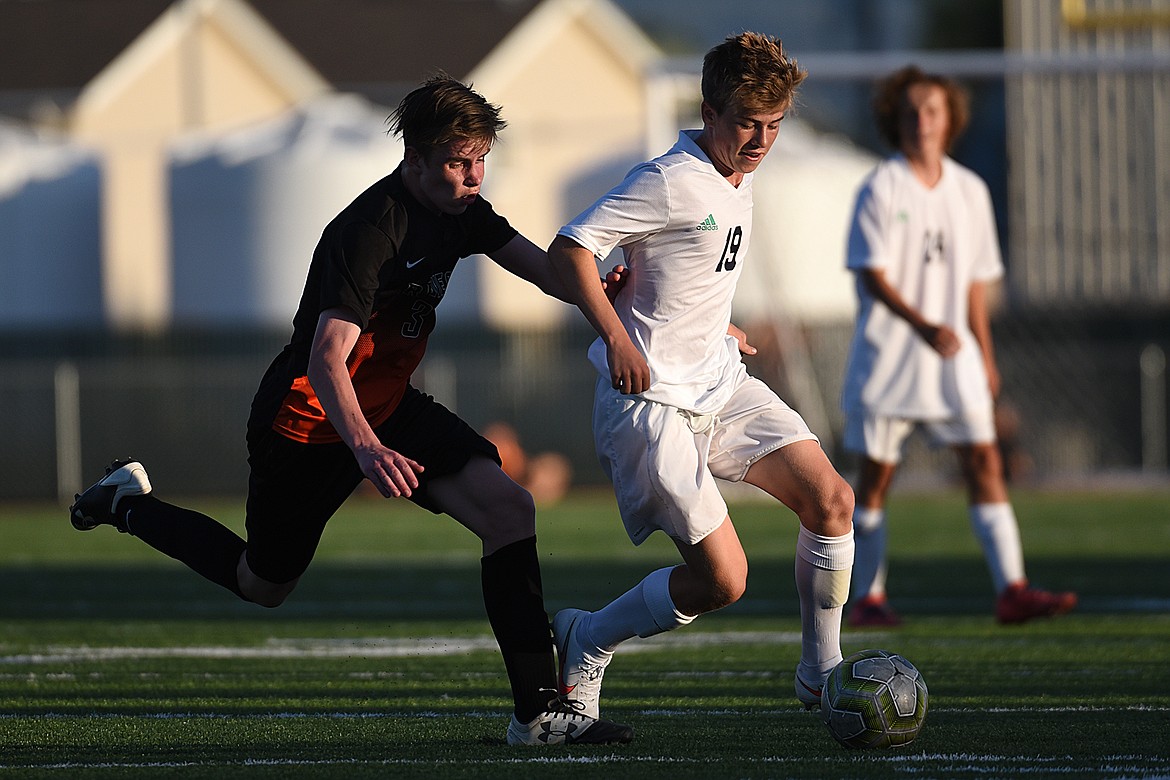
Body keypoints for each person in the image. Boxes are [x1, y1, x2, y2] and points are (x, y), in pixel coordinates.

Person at [68, 75, 634, 746]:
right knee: (262, 583)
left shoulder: (465, 211)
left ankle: (538, 713)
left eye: (482, 159)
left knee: (508, 508)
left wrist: (599, 291)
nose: (474, 176)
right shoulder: (369, 230)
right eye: (458, 162)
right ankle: (125, 503)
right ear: (415, 159)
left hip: (387, 409)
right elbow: (325, 359)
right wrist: (364, 447)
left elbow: (546, 273)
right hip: (307, 423)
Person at [546, 32, 855, 721]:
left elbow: (686, 274)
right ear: (711, 111)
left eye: (774, 125)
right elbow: (569, 250)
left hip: (717, 379)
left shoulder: (737, 176)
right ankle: (588, 639)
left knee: (833, 501)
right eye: (748, 122)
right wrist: (616, 336)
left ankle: (821, 673)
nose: (761, 140)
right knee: (724, 581)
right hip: (649, 402)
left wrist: (720, 327)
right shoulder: (668, 179)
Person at [840, 65, 1077, 627]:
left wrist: (985, 356)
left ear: (950, 121)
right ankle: (868, 598)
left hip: (954, 357)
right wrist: (922, 325)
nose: (923, 120)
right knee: (876, 477)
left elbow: (976, 282)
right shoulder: (881, 186)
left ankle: (1012, 589)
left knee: (985, 460)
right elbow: (872, 274)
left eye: (933, 111)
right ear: (896, 121)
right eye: (912, 111)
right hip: (890, 359)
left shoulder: (970, 190)